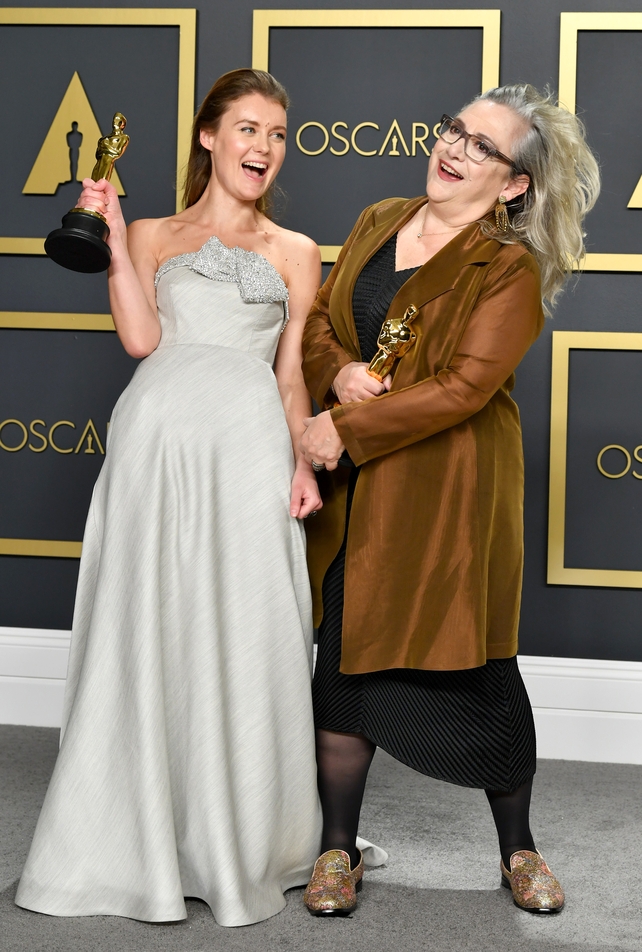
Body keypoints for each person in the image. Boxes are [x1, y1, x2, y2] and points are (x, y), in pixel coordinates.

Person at [16, 68, 325, 927]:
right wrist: (116, 239)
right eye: (247, 129)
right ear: (209, 137)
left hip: (249, 447)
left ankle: (240, 832)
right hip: (157, 443)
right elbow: (143, 339)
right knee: (150, 622)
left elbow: (291, 374)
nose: (263, 147)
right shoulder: (153, 231)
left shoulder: (298, 252)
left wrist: (302, 462)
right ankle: (135, 833)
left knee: (243, 627)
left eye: (276, 134)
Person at [299, 84, 600, 916]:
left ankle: (519, 850)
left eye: (483, 146)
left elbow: (466, 388)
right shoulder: (378, 218)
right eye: (454, 130)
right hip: (356, 495)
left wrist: (343, 431)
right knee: (344, 661)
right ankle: (336, 850)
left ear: (512, 185)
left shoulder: (508, 266)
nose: (455, 149)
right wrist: (339, 375)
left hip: (445, 492)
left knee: (473, 667)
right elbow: (319, 320)